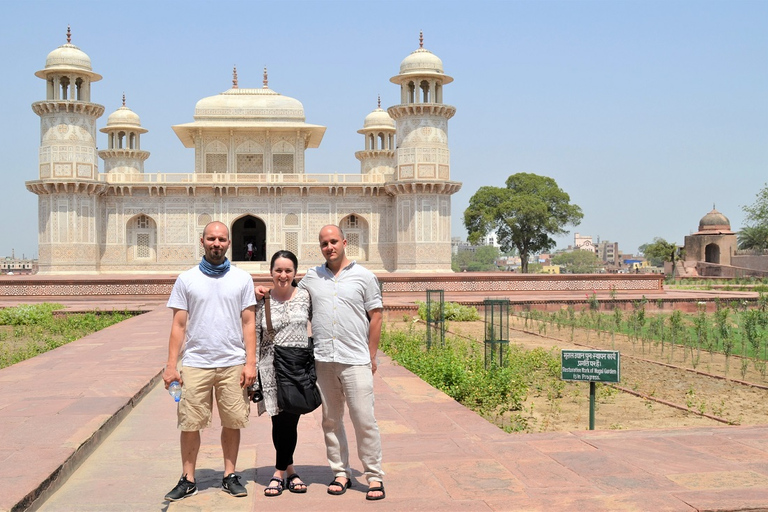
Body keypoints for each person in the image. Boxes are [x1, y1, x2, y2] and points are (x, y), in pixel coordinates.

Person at [162, 221, 257, 502]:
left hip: (232, 362)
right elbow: (178, 325)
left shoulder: (241, 279)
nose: (217, 243)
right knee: (190, 422)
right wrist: (170, 365)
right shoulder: (187, 279)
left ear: (229, 243)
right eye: (212, 238)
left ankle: (229, 475)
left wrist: (250, 363)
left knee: (232, 421)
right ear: (201, 241)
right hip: (195, 362)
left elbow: (249, 323)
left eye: (222, 239)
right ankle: (188, 478)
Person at [255, 250, 312, 497]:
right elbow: (254, 335)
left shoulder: (307, 297)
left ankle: (282, 471)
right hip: (271, 368)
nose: (283, 275)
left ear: (295, 273)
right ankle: (287, 471)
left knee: (291, 419)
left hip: (297, 366)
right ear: (271, 272)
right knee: (280, 420)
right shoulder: (261, 300)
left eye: (288, 270)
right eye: (278, 270)